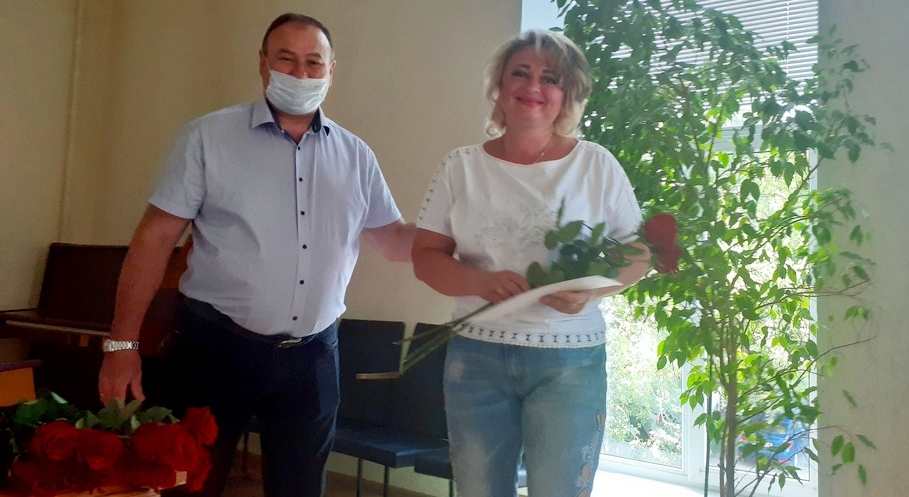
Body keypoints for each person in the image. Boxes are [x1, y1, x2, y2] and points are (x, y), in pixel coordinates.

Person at [98, 13, 415, 497]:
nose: (300, 73)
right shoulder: (206, 138)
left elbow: (393, 241)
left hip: (313, 358)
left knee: (300, 489)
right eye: (286, 59)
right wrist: (122, 346)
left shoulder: (357, 156)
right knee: (190, 485)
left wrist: (471, 239)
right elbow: (155, 238)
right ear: (263, 63)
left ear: (331, 71)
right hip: (215, 349)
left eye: (313, 63)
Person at [412, 30, 651, 497]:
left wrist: (595, 289)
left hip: (570, 360)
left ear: (567, 95)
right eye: (520, 73)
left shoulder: (596, 165)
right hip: (476, 357)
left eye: (550, 78)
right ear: (499, 86)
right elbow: (425, 257)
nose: (533, 86)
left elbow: (638, 251)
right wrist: (479, 281)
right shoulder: (460, 166)